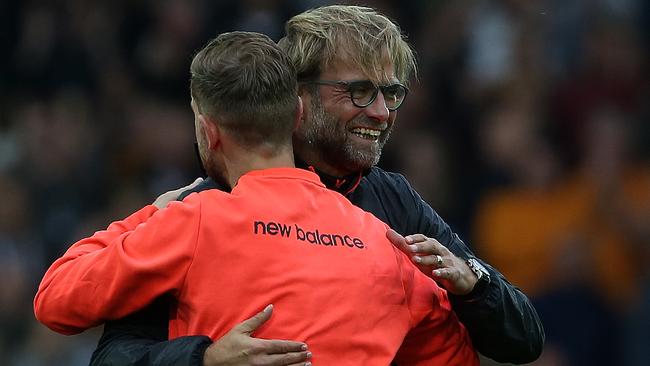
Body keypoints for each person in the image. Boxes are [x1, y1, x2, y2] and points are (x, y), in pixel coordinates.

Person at [87, 5, 544, 366]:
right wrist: (203, 358)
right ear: (296, 97)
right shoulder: (210, 202)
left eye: (392, 93)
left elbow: (523, 340)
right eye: (359, 92)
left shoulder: (395, 201)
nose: (382, 113)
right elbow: (112, 357)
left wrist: (475, 285)